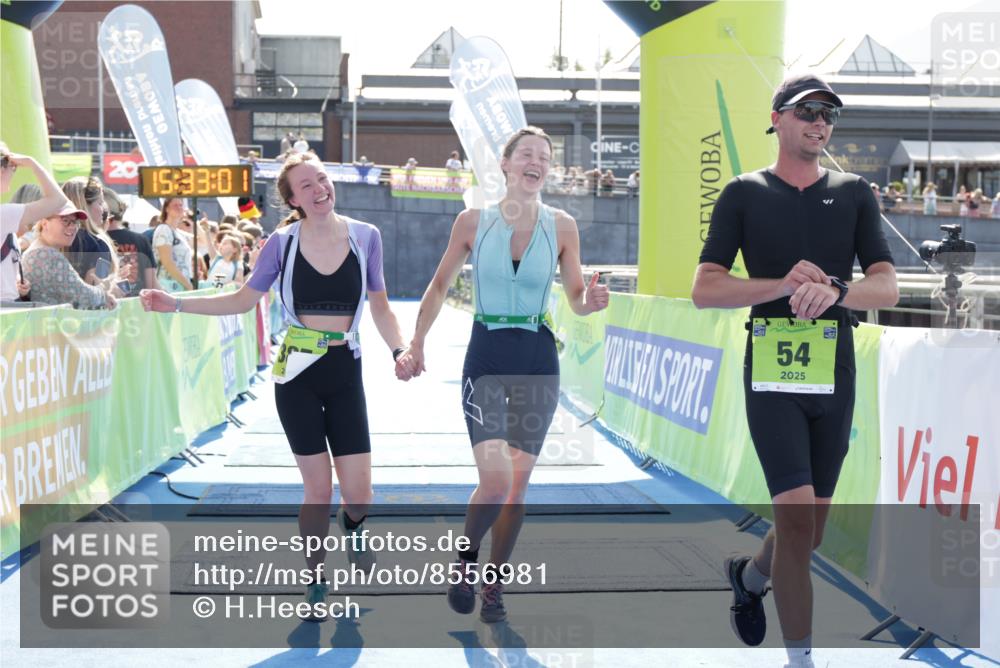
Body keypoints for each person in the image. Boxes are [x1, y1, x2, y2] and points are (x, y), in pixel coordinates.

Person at [140, 152, 412, 619]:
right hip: (298, 378)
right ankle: (316, 580)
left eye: (322, 179)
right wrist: (176, 304)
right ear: (293, 200)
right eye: (306, 186)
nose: (319, 189)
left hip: (345, 373)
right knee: (318, 489)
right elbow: (242, 301)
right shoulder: (281, 245)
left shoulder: (366, 236)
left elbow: (381, 307)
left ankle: (354, 526)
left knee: (359, 495)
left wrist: (399, 350)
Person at [691, 74, 898, 668]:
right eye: (808, 110)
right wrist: (781, 286)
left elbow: (887, 285)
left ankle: (751, 577)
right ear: (777, 117)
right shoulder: (743, 192)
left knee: (810, 533)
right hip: (772, 371)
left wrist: (838, 292)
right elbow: (705, 289)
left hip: (834, 367)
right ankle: (800, 659)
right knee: (796, 520)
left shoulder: (854, 192)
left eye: (830, 114)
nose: (820, 122)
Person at [402, 126, 610, 624]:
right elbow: (439, 285)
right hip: (487, 358)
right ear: (506, 163)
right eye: (527, 154)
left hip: (538, 360)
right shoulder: (472, 222)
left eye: (545, 157)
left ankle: (493, 585)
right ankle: (465, 560)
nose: (536, 162)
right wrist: (417, 342)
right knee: (495, 482)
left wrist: (592, 301)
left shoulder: (563, 226)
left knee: (517, 487)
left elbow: (577, 299)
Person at [1, 143, 70, 303]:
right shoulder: (4, 215)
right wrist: (33, 164)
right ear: (1, 169)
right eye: (13, 167)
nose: (14, 172)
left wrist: (16, 283)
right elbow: (58, 200)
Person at [22, 202, 120, 309]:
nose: (72, 226)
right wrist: (106, 287)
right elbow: (85, 296)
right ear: (45, 224)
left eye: (75, 222)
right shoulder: (47, 255)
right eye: (65, 221)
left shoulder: (37, 250)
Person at [62, 176, 120, 285]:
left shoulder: (52, 240)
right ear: (84, 206)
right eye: (100, 203)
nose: (103, 209)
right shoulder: (97, 244)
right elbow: (98, 288)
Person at [104, 186, 159, 296]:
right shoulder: (141, 240)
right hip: (137, 303)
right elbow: (152, 286)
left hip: (106, 303)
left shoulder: (93, 241)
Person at [152, 198, 195, 292]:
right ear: (166, 209)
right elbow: (167, 262)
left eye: (181, 205)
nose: (179, 208)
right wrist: (188, 285)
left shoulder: (179, 233)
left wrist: (194, 221)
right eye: (175, 205)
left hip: (181, 286)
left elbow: (201, 240)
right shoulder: (163, 230)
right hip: (168, 287)